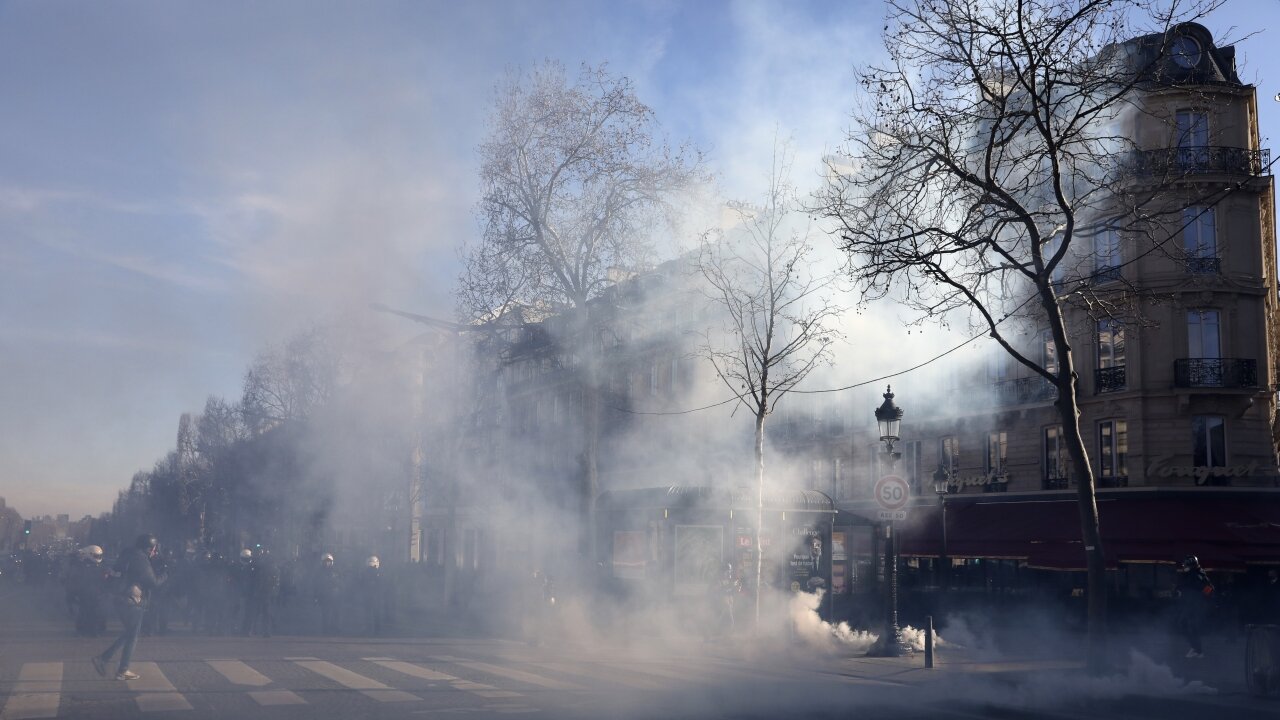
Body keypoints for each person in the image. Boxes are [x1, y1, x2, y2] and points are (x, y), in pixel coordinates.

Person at [92, 534, 164, 681]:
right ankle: (119, 668)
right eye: (153, 549)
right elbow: (153, 582)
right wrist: (165, 575)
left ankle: (105, 660)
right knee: (132, 636)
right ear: (148, 547)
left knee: (130, 633)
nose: (154, 552)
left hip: (121, 599)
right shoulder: (141, 559)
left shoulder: (128, 554)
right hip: (132, 600)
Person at [1175, 554, 1215, 658]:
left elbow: (1209, 589)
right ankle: (1196, 648)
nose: (1184, 567)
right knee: (1184, 625)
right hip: (1189, 604)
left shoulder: (1198, 575)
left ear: (1191, 565)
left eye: (1186, 565)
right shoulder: (1189, 575)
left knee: (1191, 626)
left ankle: (1197, 650)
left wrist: (1201, 598)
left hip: (1196, 605)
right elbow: (1183, 586)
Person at [314, 553, 343, 635]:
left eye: (329, 561)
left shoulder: (337, 571)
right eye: (326, 561)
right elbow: (316, 585)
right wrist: (316, 596)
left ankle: (336, 629)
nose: (327, 563)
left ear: (332, 562)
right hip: (324, 596)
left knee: (336, 614)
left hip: (335, 596)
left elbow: (342, 583)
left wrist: (336, 583)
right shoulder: (319, 572)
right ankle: (325, 630)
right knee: (325, 615)